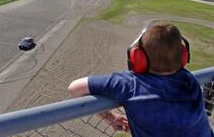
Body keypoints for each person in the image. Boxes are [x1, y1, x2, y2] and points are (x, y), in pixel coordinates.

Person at [68, 23, 213, 137]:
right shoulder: (189, 80)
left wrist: (110, 117)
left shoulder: (130, 84)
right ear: (183, 56)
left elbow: (75, 88)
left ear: (137, 59)